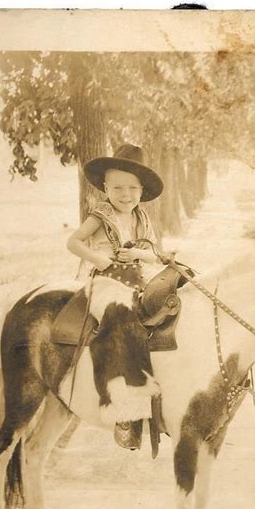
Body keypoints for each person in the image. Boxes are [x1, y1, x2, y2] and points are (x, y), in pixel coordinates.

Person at [67, 144, 164, 450]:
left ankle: (167, 389)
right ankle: (125, 411)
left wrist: (138, 253)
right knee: (122, 319)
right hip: (107, 283)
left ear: (142, 190)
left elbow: (154, 255)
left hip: (138, 280)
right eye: (118, 187)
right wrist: (100, 259)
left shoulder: (142, 217)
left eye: (133, 188)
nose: (126, 194)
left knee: (169, 311)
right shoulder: (101, 214)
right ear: (105, 188)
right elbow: (73, 242)